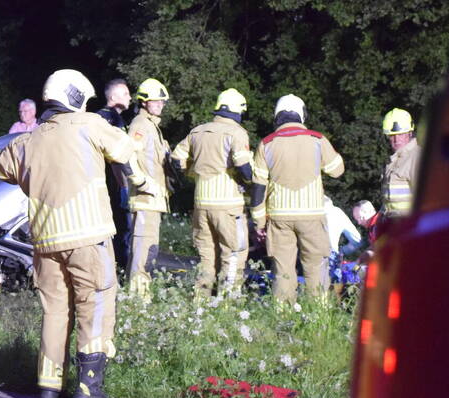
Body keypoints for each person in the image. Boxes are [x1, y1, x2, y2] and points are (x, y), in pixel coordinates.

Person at [0, 69, 156, 398]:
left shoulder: (28, 140)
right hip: (88, 235)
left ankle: (49, 388)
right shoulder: (89, 125)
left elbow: (4, 168)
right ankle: (88, 391)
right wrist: (141, 183)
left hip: (45, 240)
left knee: (55, 312)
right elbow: (126, 153)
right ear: (77, 97)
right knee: (95, 305)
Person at [251, 94, 344, 302]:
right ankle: (318, 315)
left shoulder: (266, 144)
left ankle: (283, 316)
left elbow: (258, 188)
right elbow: (337, 170)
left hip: (279, 216)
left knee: (283, 270)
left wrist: (258, 222)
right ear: (302, 115)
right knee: (315, 266)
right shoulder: (318, 139)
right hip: (311, 215)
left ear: (277, 116)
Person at [171, 88, 254, 300]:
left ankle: (201, 302)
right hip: (228, 205)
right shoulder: (236, 133)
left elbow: (176, 159)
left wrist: (191, 175)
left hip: (201, 204)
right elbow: (244, 168)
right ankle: (227, 303)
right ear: (238, 111)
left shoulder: (197, 132)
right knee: (233, 253)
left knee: (206, 256)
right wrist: (250, 183)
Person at [125, 78, 172, 299]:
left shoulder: (152, 126)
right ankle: (138, 300)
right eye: (156, 101)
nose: (161, 104)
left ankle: (140, 294)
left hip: (154, 200)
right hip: (145, 198)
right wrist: (144, 183)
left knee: (148, 249)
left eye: (162, 101)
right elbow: (128, 158)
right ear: (144, 102)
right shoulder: (140, 126)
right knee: (143, 251)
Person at [96, 79, 133, 268]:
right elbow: (117, 157)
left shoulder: (97, 117)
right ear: (113, 97)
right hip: (112, 184)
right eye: (125, 93)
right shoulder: (112, 119)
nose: (130, 97)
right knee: (121, 231)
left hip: (101, 184)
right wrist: (125, 185)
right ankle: (118, 272)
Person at [381, 108, 421, 219]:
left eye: (401, 134)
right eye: (392, 135)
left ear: (409, 133)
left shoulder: (416, 157)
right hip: (394, 227)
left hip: (410, 226)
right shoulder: (393, 161)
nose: (396, 139)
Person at [324, 196, 362, 286]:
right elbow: (357, 240)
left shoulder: (304, 212)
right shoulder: (337, 213)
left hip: (304, 256)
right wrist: (342, 250)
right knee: (332, 290)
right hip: (330, 256)